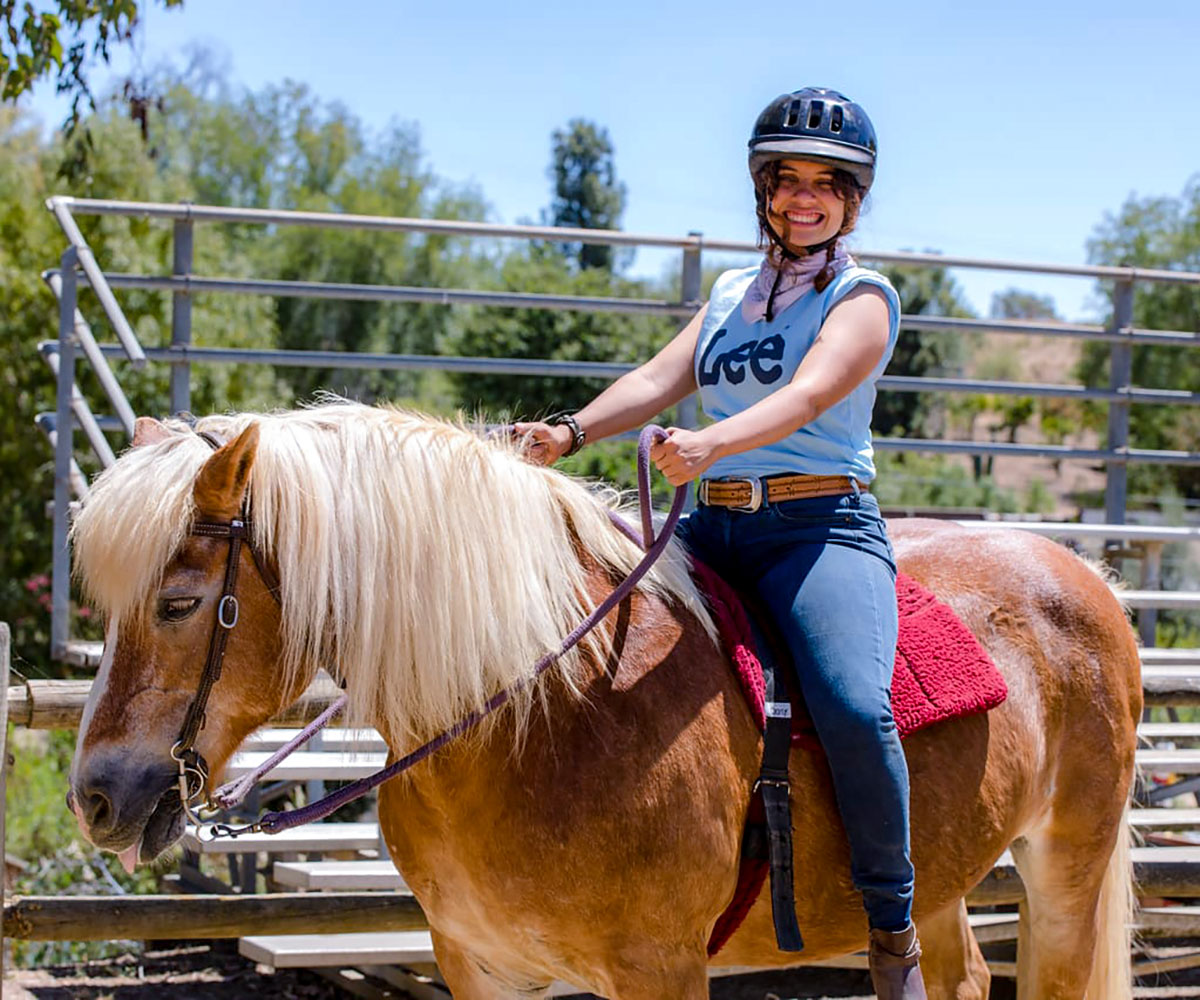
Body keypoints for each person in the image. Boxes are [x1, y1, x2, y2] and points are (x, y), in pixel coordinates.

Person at [516, 87, 924, 1000]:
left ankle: (893, 928)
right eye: (787, 180)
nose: (804, 198)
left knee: (857, 707)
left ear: (853, 198)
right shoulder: (733, 294)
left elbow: (811, 395)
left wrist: (711, 443)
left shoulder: (864, 297)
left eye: (827, 183)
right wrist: (567, 434)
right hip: (713, 526)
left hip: (816, 530)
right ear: (764, 189)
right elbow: (661, 377)